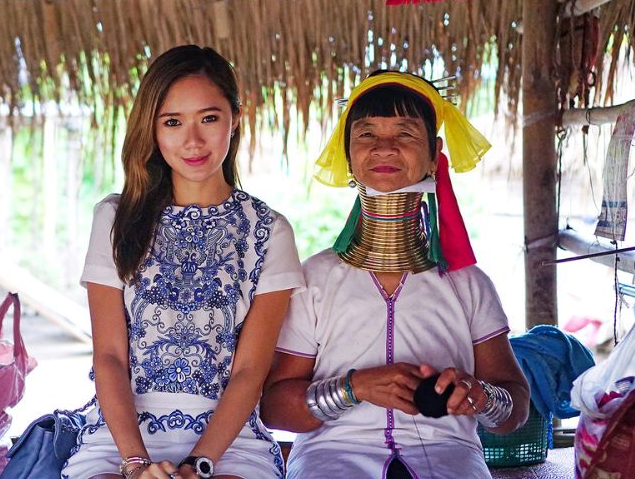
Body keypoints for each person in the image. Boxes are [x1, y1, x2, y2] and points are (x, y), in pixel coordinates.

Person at [260, 71, 531, 479]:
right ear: (347, 153)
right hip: (332, 455)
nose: (384, 147)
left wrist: (480, 396)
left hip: (449, 455)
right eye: (366, 134)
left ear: (433, 153)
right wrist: (354, 388)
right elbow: (276, 406)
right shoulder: (314, 280)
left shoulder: (467, 283)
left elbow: (515, 409)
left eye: (405, 133)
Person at [63, 45, 304, 479]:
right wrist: (136, 466)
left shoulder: (269, 230)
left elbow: (250, 372)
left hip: (231, 441)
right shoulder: (116, 218)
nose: (192, 141)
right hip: (120, 437)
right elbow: (111, 356)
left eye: (209, 119)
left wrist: (200, 464)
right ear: (152, 130)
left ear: (236, 117)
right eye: (173, 122)